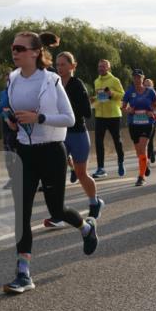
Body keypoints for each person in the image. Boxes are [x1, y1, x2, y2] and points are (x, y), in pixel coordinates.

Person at [3, 31, 99, 294]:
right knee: (21, 212)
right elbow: (14, 113)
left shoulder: (51, 80)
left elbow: (69, 118)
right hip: (24, 151)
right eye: (13, 48)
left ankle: (85, 226)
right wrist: (12, 120)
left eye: (20, 48)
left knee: (56, 211)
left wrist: (40, 118)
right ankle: (23, 272)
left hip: (52, 151)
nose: (15, 52)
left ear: (35, 52)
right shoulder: (12, 79)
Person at [45, 52, 104, 228]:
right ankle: (58, 214)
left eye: (63, 64)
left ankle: (95, 202)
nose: (59, 67)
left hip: (77, 134)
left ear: (72, 66)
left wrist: (66, 107)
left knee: (81, 173)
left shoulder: (77, 85)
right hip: (59, 135)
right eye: (57, 64)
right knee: (56, 174)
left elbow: (87, 112)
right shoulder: (53, 84)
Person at [122, 69, 156, 186]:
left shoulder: (150, 92)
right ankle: (145, 163)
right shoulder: (129, 92)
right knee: (139, 152)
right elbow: (123, 107)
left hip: (147, 123)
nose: (137, 79)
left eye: (139, 77)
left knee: (143, 148)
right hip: (134, 123)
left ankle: (141, 177)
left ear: (143, 78)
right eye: (135, 77)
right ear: (133, 79)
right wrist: (128, 110)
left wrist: (152, 111)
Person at [92, 59, 125, 179]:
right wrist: (94, 100)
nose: (100, 68)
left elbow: (122, 95)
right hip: (100, 116)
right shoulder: (96, 81)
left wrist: (112, 94)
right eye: (99, 66)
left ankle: (121, 162)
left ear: (108, 68)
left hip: (113, 115)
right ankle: (101, 168)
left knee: (117, 141)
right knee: (98, 142)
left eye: (103, 67)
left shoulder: (115, 80)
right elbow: (99, 97)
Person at [0, 69, 18, 189]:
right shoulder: (3, 93)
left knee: (17, 153)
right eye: (6, 79)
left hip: (17, 125)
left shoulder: (18, 91)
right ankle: (13, 178)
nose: (8, 81)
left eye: (10, 78)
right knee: (7, 153)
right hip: (6, 125)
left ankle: (21, 178)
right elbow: (0, 108)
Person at [143, 77, 156, 165]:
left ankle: (148, 158)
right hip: (143, 121)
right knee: (146, 140)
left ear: (152, 86)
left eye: (149, 85)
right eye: (145, 85)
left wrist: (152, 111)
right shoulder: (140, 94)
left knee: (150, 139)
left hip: (153, 120)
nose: (147, 87)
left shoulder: (155, 95)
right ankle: (151, 153)